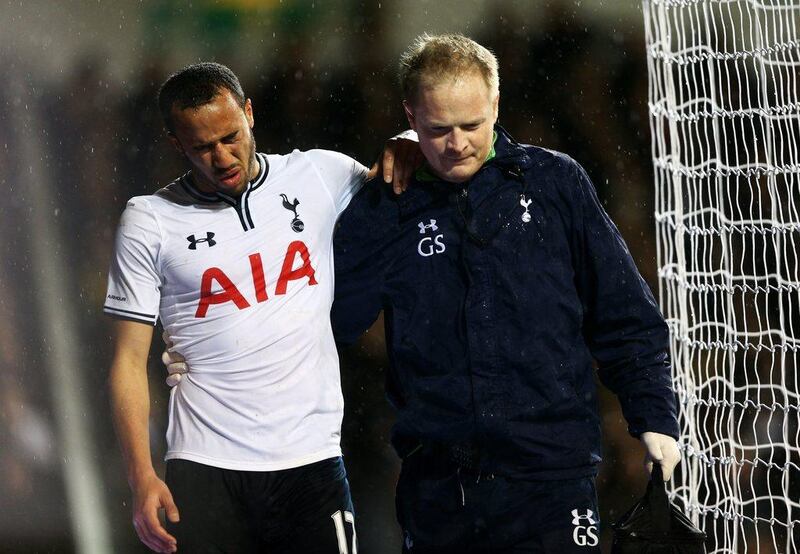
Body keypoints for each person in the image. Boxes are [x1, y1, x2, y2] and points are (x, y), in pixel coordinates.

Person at [328, 34, 681, 553]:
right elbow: (321, 321)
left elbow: (624, 312)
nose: (457, 144)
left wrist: (653, 415)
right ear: (410, 116)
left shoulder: (556, 183)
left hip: (553, 475)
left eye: (472, 125)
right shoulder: (386, 208)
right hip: (438, 485)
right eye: (436, 129)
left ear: (496, 103)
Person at [106, 61, 417, 554]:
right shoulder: (150, 221)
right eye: (202, 147)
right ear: (175, 145)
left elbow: (404, 183)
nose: (223, 156)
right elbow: (127, 360)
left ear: (250, 113)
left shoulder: (320, 174)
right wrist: (140, 475)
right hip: (204, 467)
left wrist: (408, 137)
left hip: (311, 461)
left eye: (231, 136)